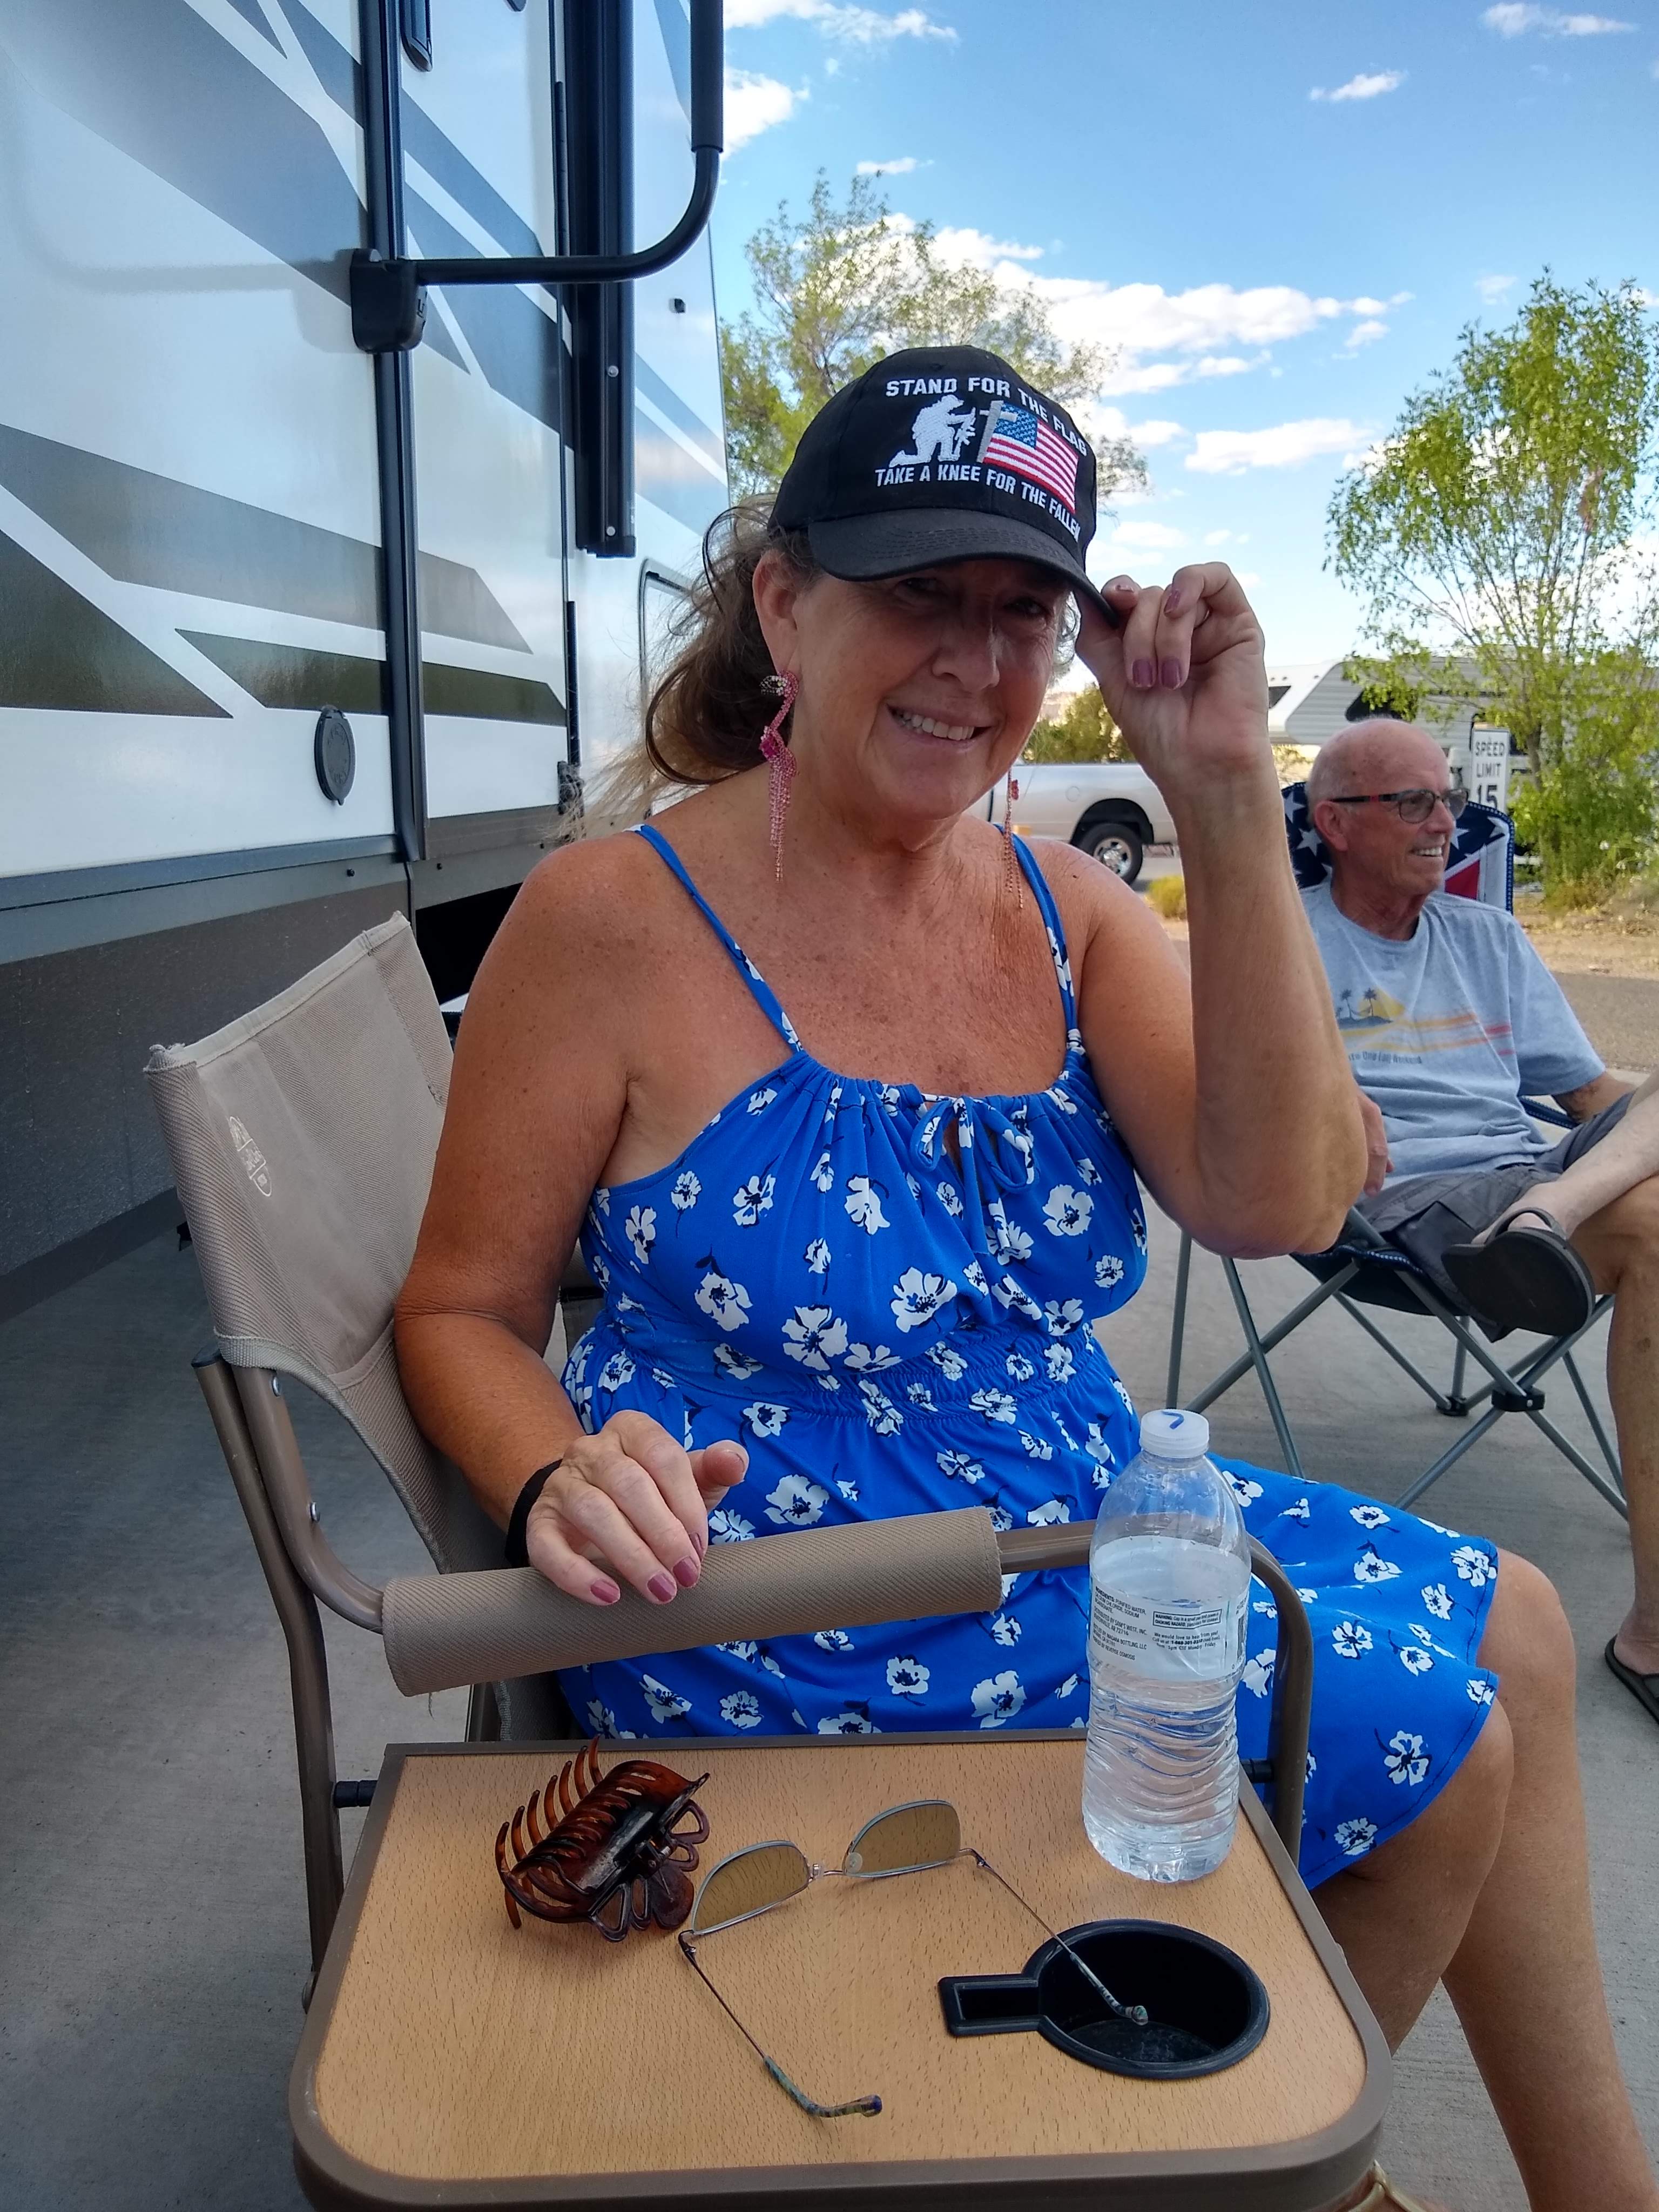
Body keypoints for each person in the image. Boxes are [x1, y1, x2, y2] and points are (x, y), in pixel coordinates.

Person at [396, 347, 1657, 2212]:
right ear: (786, 604)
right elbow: (459, 1308)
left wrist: (1223, 795)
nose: (976, 667)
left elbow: (1281, 1197)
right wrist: (550, 1471)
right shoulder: (610, 923)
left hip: (1068, 1517)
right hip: (806, 1601)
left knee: (1529, 1622)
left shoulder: (1065, 907)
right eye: (922, 594)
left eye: (1023, 613)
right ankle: (1236, 2171)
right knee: (1448, 1746)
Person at [1304, 720, 1659, 1732]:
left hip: (1536, 1183)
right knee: (1651, 1225)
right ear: (1336, 823)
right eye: (1414, 802)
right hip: (1402, 1202)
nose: (1444, 823)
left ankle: (1552, 1214)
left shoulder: (1490, 938)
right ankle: (1655, 1633)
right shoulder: (1285, 943)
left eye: (1449, 799)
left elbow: (1590, 1097)